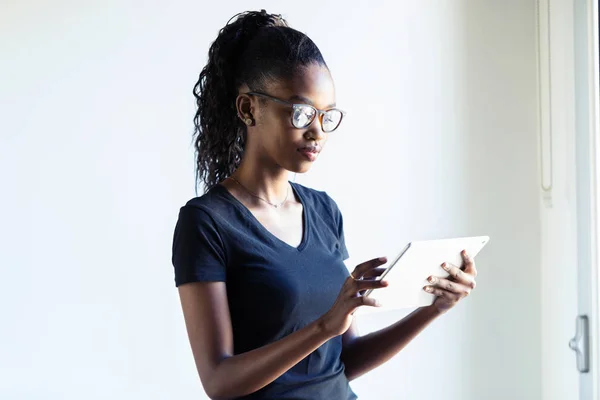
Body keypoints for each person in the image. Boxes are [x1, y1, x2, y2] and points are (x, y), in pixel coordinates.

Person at [171, 10, 478, 400]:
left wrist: (433, 309)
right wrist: (324, 326)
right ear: (248, 108)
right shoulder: (207, 223)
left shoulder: (323, 212)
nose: (316, 132)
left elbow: (344, 360)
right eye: (300, 113)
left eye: (326, 115)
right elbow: (219, 381)